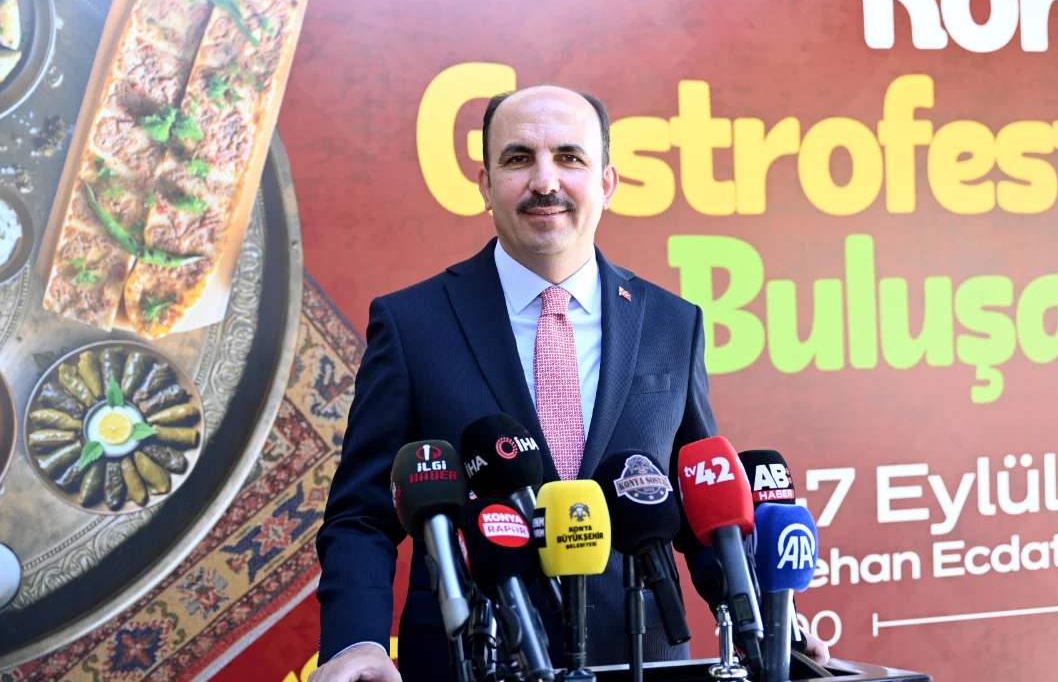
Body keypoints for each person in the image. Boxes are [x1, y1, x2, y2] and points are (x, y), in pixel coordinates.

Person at [309, 85, 828, 682]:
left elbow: (699, 506)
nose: (544, 181)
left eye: (569, 157)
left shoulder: (671, 323)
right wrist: (356, 643)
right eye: (518, 158)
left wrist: (774, 623)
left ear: (606, 183)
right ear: (485, 184)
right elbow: (362, 515)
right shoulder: (413, 324)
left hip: (640, 660)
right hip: (468, 661)